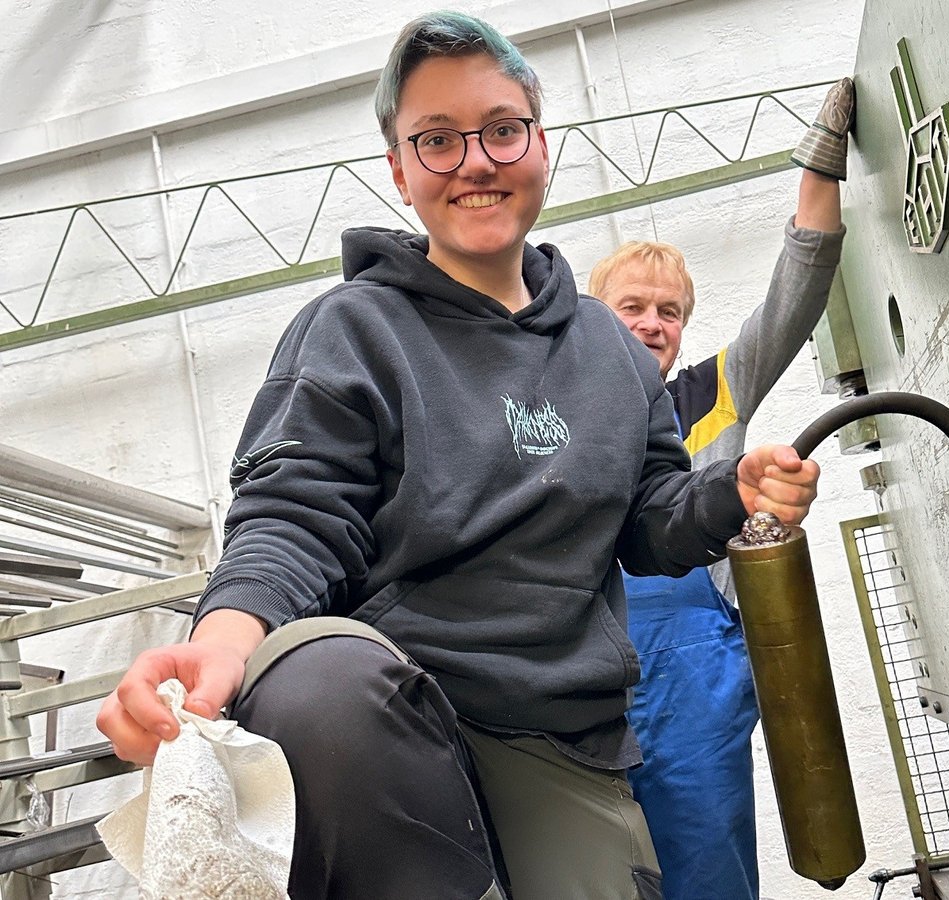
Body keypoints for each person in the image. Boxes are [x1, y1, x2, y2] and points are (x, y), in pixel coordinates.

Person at [97, 12, 820, 900]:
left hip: (559, 737)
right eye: (435, 140)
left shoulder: (614, 352)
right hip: (388, 725)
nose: (474, 161)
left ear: (541, 146)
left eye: (501, 130)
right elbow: (293, 513)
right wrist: (223, 637)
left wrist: (726, 496)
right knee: (317, 681)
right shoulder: (352, 330)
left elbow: (650, 520)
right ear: (399, 171)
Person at [588, 78, 853, 900]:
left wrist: (820, 169)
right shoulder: (557, 414)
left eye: (669, 311)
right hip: (590, 677)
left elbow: (795, 296)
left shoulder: (717, 392)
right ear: (594, 317)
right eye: (631, 306)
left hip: (698, 679)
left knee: (708, 861)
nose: (652, 323)